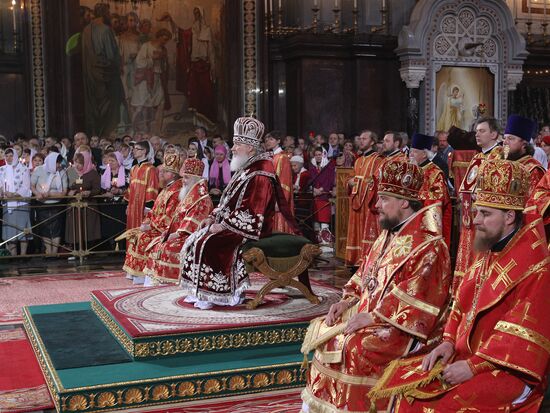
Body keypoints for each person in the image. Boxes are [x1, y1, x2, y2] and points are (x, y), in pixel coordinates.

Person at [389, 159, 550, 412]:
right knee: (405, 388)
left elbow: (519, 339)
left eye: (485, 214)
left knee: (438, 406)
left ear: (510, 216)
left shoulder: (534, 266)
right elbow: (462, 304)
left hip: (509, 370)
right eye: (475, 211)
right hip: (467, 356)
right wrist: (448, 342)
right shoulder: (488, 246)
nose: (475, 220)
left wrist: (474, 366)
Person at [300, 159, 452, 413]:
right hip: (371, 315)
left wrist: (370, 317)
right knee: (323, 331)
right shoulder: (389, 232)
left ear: (403, 202)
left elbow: (419, 300)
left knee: (354, 347)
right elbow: (365, 275)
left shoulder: (430, 245)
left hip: (405, 329)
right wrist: (346, 301)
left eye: (383, 199)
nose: (376, 205)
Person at [180, 117, 285, 309]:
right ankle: (201, 291)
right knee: (197, 238)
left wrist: (223, 225)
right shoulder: (245, 167)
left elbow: (253, 210)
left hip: (253, 227)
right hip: (236, 222)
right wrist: (213, 217)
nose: (233, 148)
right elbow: (228, 201)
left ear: (250, 148)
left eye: (237, 144)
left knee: (210, 243)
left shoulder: (261, 172)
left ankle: (220, 294)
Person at [143, 158, 213, 285]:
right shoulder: (188, 194)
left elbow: (192, 223)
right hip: (180, 234)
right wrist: (168, 232)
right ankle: (157, 283)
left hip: (192, 237)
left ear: (195, 179)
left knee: (167, 248)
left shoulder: (202, 199)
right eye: (183, 177)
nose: (183, 181)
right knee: (157, 244)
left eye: (186, 178)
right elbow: (177, 218)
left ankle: (174, 283)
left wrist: (175, 234)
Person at [454, 117, 503, 285]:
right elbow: (466, 187)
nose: (477, 135)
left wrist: (479, 196)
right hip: (470, 216)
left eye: (482, 131)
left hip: (487, 218)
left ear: (494, 134)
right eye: (476, 131)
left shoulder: (501, 156)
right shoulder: (477, 157)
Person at [123, 154, 183, 284]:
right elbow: (154, 210)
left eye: (164, 172)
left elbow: (170, 217)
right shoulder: (166, 189)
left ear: (172, 175)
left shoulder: (176, 192)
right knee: (138, 235)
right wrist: (146, 222)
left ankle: (144, 276)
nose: (160, 174)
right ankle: (138, 275)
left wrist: (151, 226)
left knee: (143, 238)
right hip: (156, 226)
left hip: (165, 230)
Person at [162, 8, 217, 122]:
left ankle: (208, 120)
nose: (196, 15)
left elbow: (211, 50)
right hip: (193, 65)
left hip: (205, 66)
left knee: (206, 92)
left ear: (201, 14)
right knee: (193, 92)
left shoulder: (207, 30)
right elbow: (180, 34)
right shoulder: (192, 31)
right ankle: (196, 121)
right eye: (194, 13)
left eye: (197, 13)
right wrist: (171, 21)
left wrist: (213, 68)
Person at [81, 2, 124, 137]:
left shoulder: (86, 30)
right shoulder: (106, 29)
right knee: (111, 102)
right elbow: (111, 55)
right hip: (106, 74)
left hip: (91, 74)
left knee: (95, 103)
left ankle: (97, 132)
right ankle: (106, 132)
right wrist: (119, 64)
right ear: (105, 13)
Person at [345, 130, 382, 266]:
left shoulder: (377, 159)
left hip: (368, 202)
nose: (361, 141)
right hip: (356, 199)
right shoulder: (359, 160)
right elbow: (351, 176)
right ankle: (355, 260)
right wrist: (349, 182)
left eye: (364, 139)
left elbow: (378, 181)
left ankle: (367, 261)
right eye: (360, 138)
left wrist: (362, 183)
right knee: (356, 230)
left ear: (372, 141)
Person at [409, 133, 452, 247]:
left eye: (415, 152)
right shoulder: (411, 169)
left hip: (428, 218)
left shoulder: (435, 172)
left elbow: (437, 198)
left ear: (424, 154)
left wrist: (413, 198)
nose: (411, 155)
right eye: (411, 151)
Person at [131, 29, 172, 134]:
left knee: (161, 102)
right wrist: (153, 58)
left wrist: (164, 61)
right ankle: (135, 129)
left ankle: (158, 131)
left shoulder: (163, 49)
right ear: (159, 36)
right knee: (141, 106)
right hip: (146, 79)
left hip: (157, 78)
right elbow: (139, 62)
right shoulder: (147, 46)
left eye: (167, 40)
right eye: (164, 39)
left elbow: (164, 66)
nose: (165, 42)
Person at [30, 153, 68, 255]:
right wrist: (38, 193)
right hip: (42, 204)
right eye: (57, 163)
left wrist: (50, 194)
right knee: (45, 227)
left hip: (57, 204)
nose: (59, 165)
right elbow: (32, 185)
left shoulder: (62, 172)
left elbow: (64, 191)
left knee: (56, 228)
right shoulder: (39, 170)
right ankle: (48, 250)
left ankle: (54, 252)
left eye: (60, 163)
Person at [64, 150, 101, 252]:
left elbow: (97, 189)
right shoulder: (71, 172)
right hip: (74, 205)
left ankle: (88, 250)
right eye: (76, 162)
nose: (77, 165)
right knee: (74, 228)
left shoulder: (92, 173)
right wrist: (69, 192)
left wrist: (89, 192)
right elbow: (65, 186)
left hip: (88, 206)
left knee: (88, 228)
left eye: (80, 163)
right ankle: (75, 250)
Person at [0, 148, 32, 255]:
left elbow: (26, 187)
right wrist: (2, 193)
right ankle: (13, 255)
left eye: (11, 155)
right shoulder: (2, 170)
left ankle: (23, 255)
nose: (9, 158)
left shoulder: (23, 169)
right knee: (10, 230)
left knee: (23, 230)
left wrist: (13, 194)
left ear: (15, 156)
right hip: (7, 204)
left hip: (21, 203)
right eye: (7, 156)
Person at [503, 114, 545, 195]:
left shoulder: (533, 170)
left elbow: (532, 203)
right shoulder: (500, 163)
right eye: (504, 138)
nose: (505, 142)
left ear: (524, 144)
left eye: (511, 138)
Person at [124, 140, 159, 231]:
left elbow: (152, 189)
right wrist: (128, 205)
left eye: (137, 149)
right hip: (132, 205)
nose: (133, 151)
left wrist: (148, 207)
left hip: (143, 206)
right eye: (133, 149)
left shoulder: (150, 169)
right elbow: (130, 188)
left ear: (144, 151)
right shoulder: (133, 169)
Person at [264, 130, 295, 234]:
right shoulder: (271, 156)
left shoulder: (283, 157)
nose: (268, 141)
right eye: (266, 140)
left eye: (271, 139)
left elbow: (284, 182)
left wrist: (280, 202)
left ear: (278, 141)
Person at [99, 151, 128, 248]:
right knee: (109, 227)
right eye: (109, 160)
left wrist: (119, 191)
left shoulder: (126, 172)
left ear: (118, 161)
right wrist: (105, 193)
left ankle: (121, 247)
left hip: (120, 205)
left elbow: (130, 188)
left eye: (113, 161)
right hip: (108, 205)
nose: (110, 163)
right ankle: (110, 248)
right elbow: (100, 188)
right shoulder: (104, 172)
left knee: (120, 226)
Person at [308, 147, 335, 245]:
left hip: (324, 197)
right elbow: (309, 179)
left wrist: (321, 190)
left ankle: (326, 243)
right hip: (314, 197)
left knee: (324, 222)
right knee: (315, 222)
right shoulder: (312, 167)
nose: (318, 157)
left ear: (323, 155)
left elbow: (330, 180)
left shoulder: (329, 166)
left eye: (320, 154)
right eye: (316, 155)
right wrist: (313, 190)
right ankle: (317, 242)